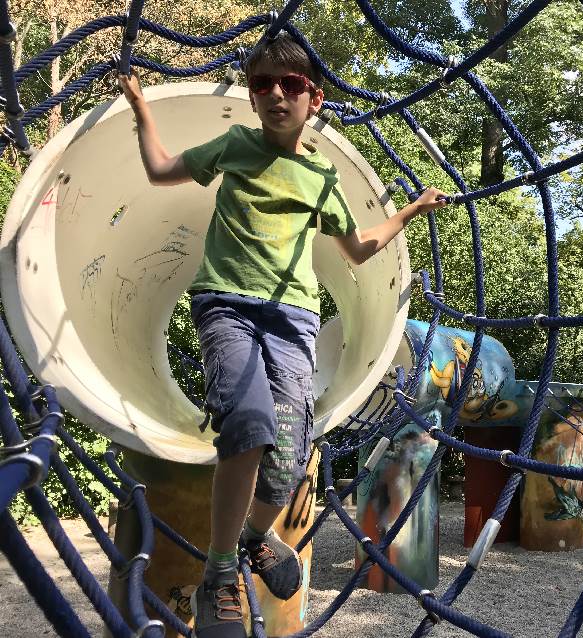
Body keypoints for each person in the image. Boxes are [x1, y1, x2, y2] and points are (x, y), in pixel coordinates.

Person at [119, 33, 447, 638]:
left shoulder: (321, 179)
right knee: (246, 424)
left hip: (293, 318)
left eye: (289, 84)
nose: (274, 93)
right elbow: (163, 171)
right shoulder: (236, 146)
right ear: (252, 97)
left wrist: (411, 210)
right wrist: (142, 111)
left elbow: (360, 246)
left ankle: (252, 537)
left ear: (313, 98)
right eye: (262, 84)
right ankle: (221, 570)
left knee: (289, 462)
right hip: (227, 305)